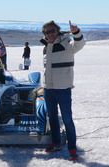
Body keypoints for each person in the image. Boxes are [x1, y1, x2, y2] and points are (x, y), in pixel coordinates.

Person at [40, 20, 85, 161]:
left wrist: (76, 32)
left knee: (67, 119)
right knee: (52, 118)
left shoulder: (67, 43)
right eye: (47, 32)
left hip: (63, 89)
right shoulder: (46, 46)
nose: (50, 34)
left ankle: (72, 148)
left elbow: (80, 43)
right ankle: (56, 143)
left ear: (58, 31)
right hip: (49, 89)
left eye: (52, 30)